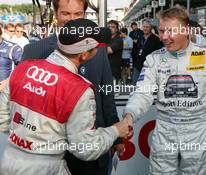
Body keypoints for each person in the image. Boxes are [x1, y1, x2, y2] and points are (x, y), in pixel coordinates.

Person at [0, 18, 130, 175]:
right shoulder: (80, 89)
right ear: (84, 55)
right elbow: (85, 149)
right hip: (48, 168)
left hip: (9, 162)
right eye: (96, 46)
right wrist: (116, 130)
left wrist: (26, 141)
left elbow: (3, 121)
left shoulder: (22, 68)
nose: (99, 50)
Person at [123, 6, 206, 174]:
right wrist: (129, 115)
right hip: (164, 133)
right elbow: (142, 93)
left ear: (186, 30)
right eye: (161, 31)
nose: (164, 37)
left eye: (171, 31)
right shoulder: (154, 59)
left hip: (197, 134)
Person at [132, 19, 163, 85]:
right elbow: (136, 49)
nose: (145, 28)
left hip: (149, 66)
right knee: (135, 83)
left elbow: (158, 52)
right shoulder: (140, 37)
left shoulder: (155, 39)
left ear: (151, 28)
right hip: (138, 65)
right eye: (144, 27)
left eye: (147, 27)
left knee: (146, 85)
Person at [0, 27, 23, 92]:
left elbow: (22, 68)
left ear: (1, 35)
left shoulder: (13, 48)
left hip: (4, 89)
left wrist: (7, 81)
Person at [107, 20, 124, 85]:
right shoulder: (107, 38)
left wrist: (96, 49)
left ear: (117, 29)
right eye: (109, 27)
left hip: (114, 69)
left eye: (113, 27)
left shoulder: (119, 39)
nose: (110, 28)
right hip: (106, 67)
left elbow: (109, 50)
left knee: (113, 90)